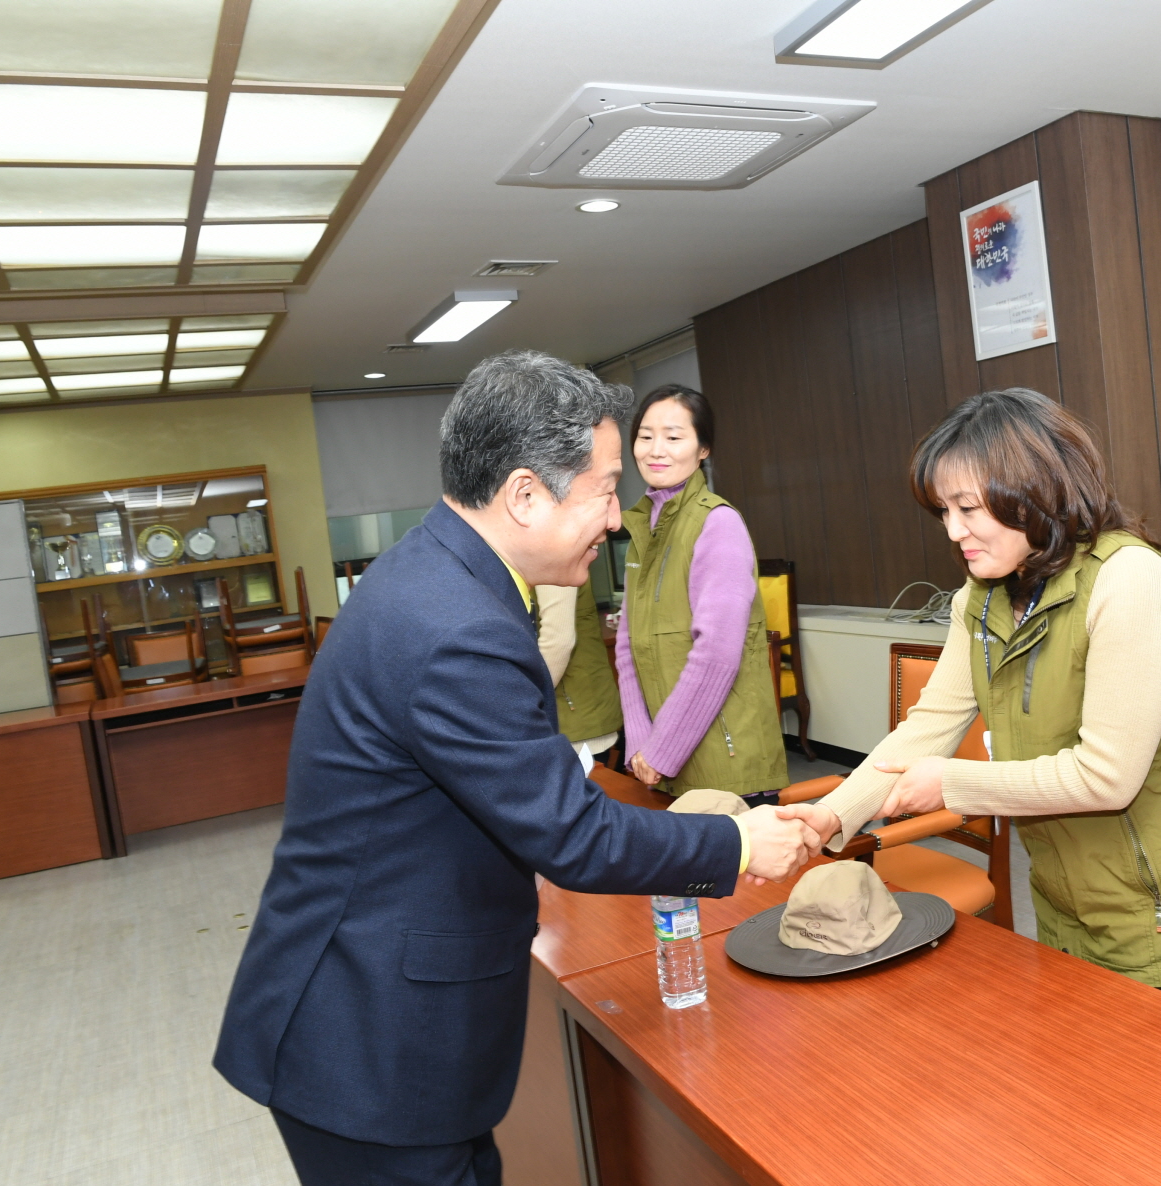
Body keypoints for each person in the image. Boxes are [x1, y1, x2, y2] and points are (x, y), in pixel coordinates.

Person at [213, 352, 820, 1186]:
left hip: (385, 1019)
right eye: (605, 490)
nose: (615, 519)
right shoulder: (455, 626)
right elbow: (573, 837)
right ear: (527, 494)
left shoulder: (442, 574)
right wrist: (740, 843)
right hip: (370, 1045)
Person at [781, 388, 1161, 1009]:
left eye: (967, 508)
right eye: (943, 511)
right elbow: (928, 727)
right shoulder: (980, 595)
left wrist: (951, 784)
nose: (953, 531)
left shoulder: (1128, 579)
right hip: (1067, 896)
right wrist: (832, 814)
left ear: (1035, 490)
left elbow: (1108, 777)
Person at [616, 384, 789, 803]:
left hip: (725, 760)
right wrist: (640, 740)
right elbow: (626, 645)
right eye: (645, 436)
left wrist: (661, 749)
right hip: (661, 761)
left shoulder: (718, 523)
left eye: (674, 437)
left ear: (703, 449)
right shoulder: (641, 526)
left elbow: (716, 653)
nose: (656, 450)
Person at [533, 581, 622, 772]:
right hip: (570, 716)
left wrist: (523, 700)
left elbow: (558, 641)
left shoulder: (551, 564)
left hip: (575, 717)